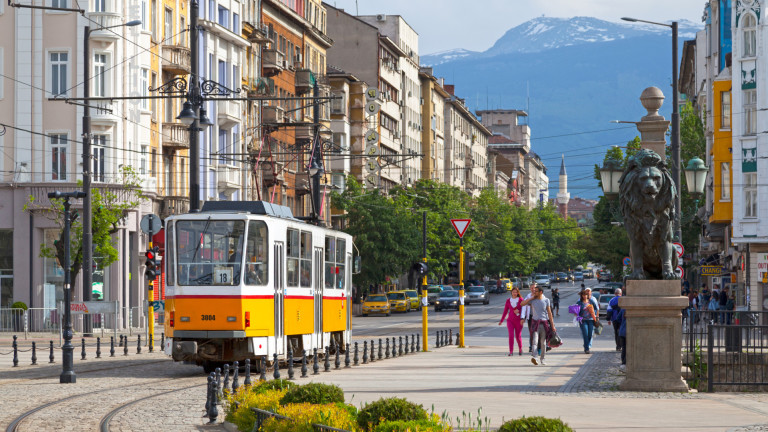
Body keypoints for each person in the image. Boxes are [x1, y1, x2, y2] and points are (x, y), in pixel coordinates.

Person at [520, 284, 556, 366]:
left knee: (543, 343)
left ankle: (543, 359)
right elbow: (522, 304)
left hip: (544, 323)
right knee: (535, 341)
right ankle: (535, 357)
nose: (534, 292)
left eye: (536, 291)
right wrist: (532, 297)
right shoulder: (532, 300)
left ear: (541, 292)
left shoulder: (546, 300)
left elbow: (549, 313)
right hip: (535, 323)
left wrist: (553, 325)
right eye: (533, 291)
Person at [499, 287, 525, 356]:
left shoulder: (521, 300)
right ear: (511, 293)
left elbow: (524, 310)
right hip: (510, 321)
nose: (514, 293)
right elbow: (505, 311)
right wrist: (501, 320)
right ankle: (511, 351)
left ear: (518, 293)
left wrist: (519, 311)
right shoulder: (508, 300)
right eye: (513, 292)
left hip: (518, 321)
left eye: (516, 292)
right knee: (511, 335)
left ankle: (520, 348)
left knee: (518, 336)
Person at [576, 289, 597, 354]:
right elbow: (576, 311)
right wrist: (576, 314)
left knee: (590, 334)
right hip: (583, 320)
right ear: (581, 296)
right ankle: (586, 348)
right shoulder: (579, 303)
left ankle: (586, 345)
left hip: (591, 320)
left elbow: (596, 308)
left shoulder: (591, 301)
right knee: (585, 334)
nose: (585, 296)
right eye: (583, 295)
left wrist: (594, 314)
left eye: (586, 295)